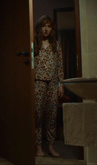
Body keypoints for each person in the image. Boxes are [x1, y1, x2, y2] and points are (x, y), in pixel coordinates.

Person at [33, 15, 64, 157]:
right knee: (37, 115)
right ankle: (38, 147)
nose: (46, 29)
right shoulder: (34, 44)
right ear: (39, 27)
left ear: (52, 29)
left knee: (52, 115)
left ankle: (51, 146)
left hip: (52, 83)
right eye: (43, 26)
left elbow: (60, 67)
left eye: (49, 26)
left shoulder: (56, 45)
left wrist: (60, 85)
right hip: (38, 82)